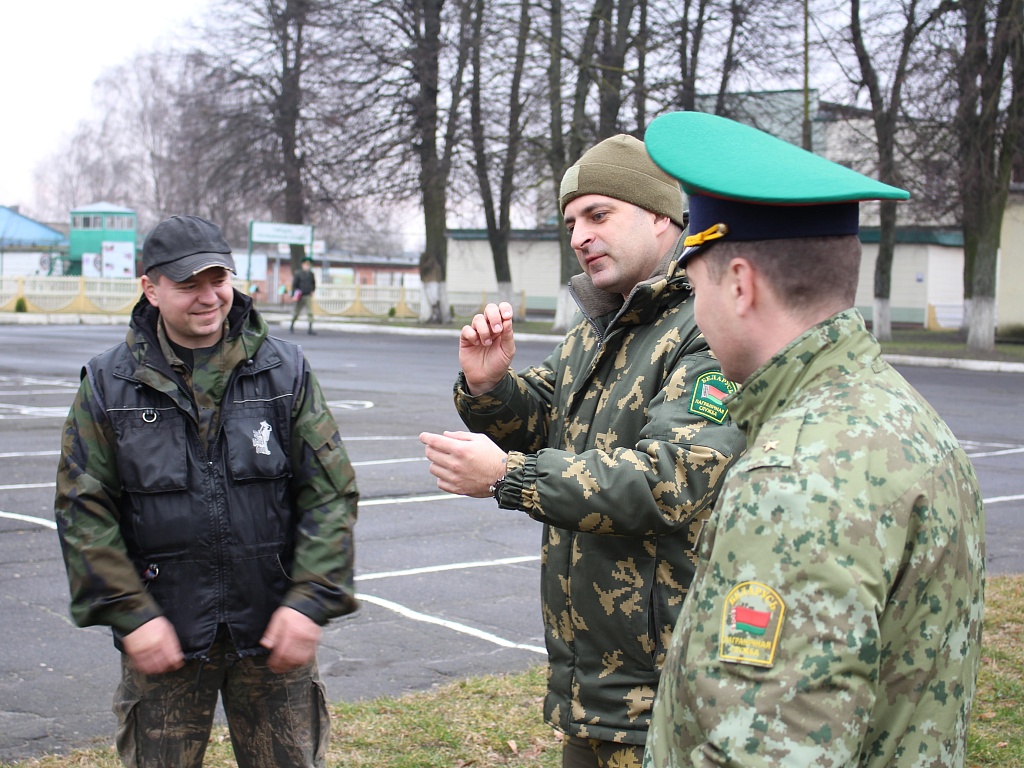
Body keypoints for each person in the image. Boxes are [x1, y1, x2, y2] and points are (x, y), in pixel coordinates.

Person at [640, 112, 985, 767]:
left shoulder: (795, 479)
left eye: (695, 286)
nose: (695, 311)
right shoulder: (905, 419)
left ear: (739, 284)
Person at [420, 134, 746, 767]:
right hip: (598, 686)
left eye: (599, 215)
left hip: (670, 691)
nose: (579, 236)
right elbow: (545, 415)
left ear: (661, 217)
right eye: (571, 222)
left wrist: (507, 478)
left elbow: (668, 478)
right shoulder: (603, 324)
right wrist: (491, 387)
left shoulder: (707, 326)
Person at [54, 214, 358, 768]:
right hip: (163, 633)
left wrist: (312, 599)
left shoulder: (283, 372)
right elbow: (83, 507)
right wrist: (130, 612)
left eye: (217, 279)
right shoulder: (107, 383)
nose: (208, 297)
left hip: (271, 630)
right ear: (150, 288)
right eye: (188, 284)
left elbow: (329, 492)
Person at [291, 256, 317, 334]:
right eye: (305, 264)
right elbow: (294, 285)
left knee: (310, 312)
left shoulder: (311, 274)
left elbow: (313, 283)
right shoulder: (298, 274)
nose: (307, 266)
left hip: (307, 295)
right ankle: (292, 325)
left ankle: (310, 328)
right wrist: (294, 295)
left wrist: (312, 290)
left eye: (308, 265)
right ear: (303, 265)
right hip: (300, 295)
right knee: (296, 312)